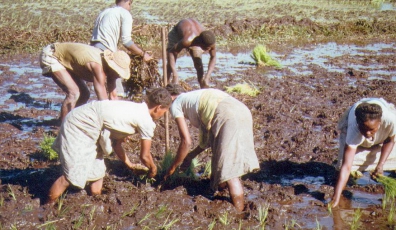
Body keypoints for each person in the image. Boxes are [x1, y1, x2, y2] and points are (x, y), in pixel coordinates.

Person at [46, 88, 172, 204]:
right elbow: (144, 156)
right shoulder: (145, 120)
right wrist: (153, 169)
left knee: (98, 170)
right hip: (81, 123)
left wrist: (129, 164)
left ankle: (96, 201)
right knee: (72, 174)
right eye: (164, 112)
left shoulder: (136, 108)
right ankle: (47, 208)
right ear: (158, 107)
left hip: (92, 123)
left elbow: (116, 144)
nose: (162, 116)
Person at [164, 84, 259, 212]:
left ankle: (238, 214)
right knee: (222, 160)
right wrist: (191, 156)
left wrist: (172, 168)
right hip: (242, 110)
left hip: (226, 115)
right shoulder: (195, 97)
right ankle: (220, 190)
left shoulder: (175, 104)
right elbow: (206, 139)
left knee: (230, 172)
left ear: (170, 97)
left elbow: (186, 141)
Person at [39, 42, 131, 121]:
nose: (117, 75)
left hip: (67, 60)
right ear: (112, 66)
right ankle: (63, 129)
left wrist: (119, 118)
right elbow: (103, 103)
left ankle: (73, 121)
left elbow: (114, 96)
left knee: (84, 94)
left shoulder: (111, 71)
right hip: (52, 55)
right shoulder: (97, 66)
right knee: (74, 93)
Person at [331, 98, 396, 208]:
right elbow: (346, 166)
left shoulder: (391, 121)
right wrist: (336, 197)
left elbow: (390, 140)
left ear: (380, 123)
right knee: (342, 165)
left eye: (371, 129)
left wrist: (380, 165)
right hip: (355, 125)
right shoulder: (353, 128)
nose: (367, 133)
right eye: (364, 128)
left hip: (384, 126)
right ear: (358, 123)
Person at [91, 0, 153, 97]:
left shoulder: (104, 12)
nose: (130, 8)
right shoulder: (125, 13)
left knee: (100, 86)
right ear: (128, 1)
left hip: (92, 50)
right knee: (116, 88)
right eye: (130, 4)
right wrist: (143, 54)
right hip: (105, 50)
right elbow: (127, 41)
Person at [167, 18, 216, 89]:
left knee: (198, 63)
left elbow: (213, 57)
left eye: (209, 48)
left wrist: (207, 77)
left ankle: (203, 85)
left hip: (195, 34)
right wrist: (175, 75)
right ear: (200, 43)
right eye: (206, 48)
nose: (208, 50)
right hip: (177, 32)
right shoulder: (187, 41)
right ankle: (166, 83)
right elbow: (171, 52)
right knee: (171, 61)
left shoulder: (210, 41)